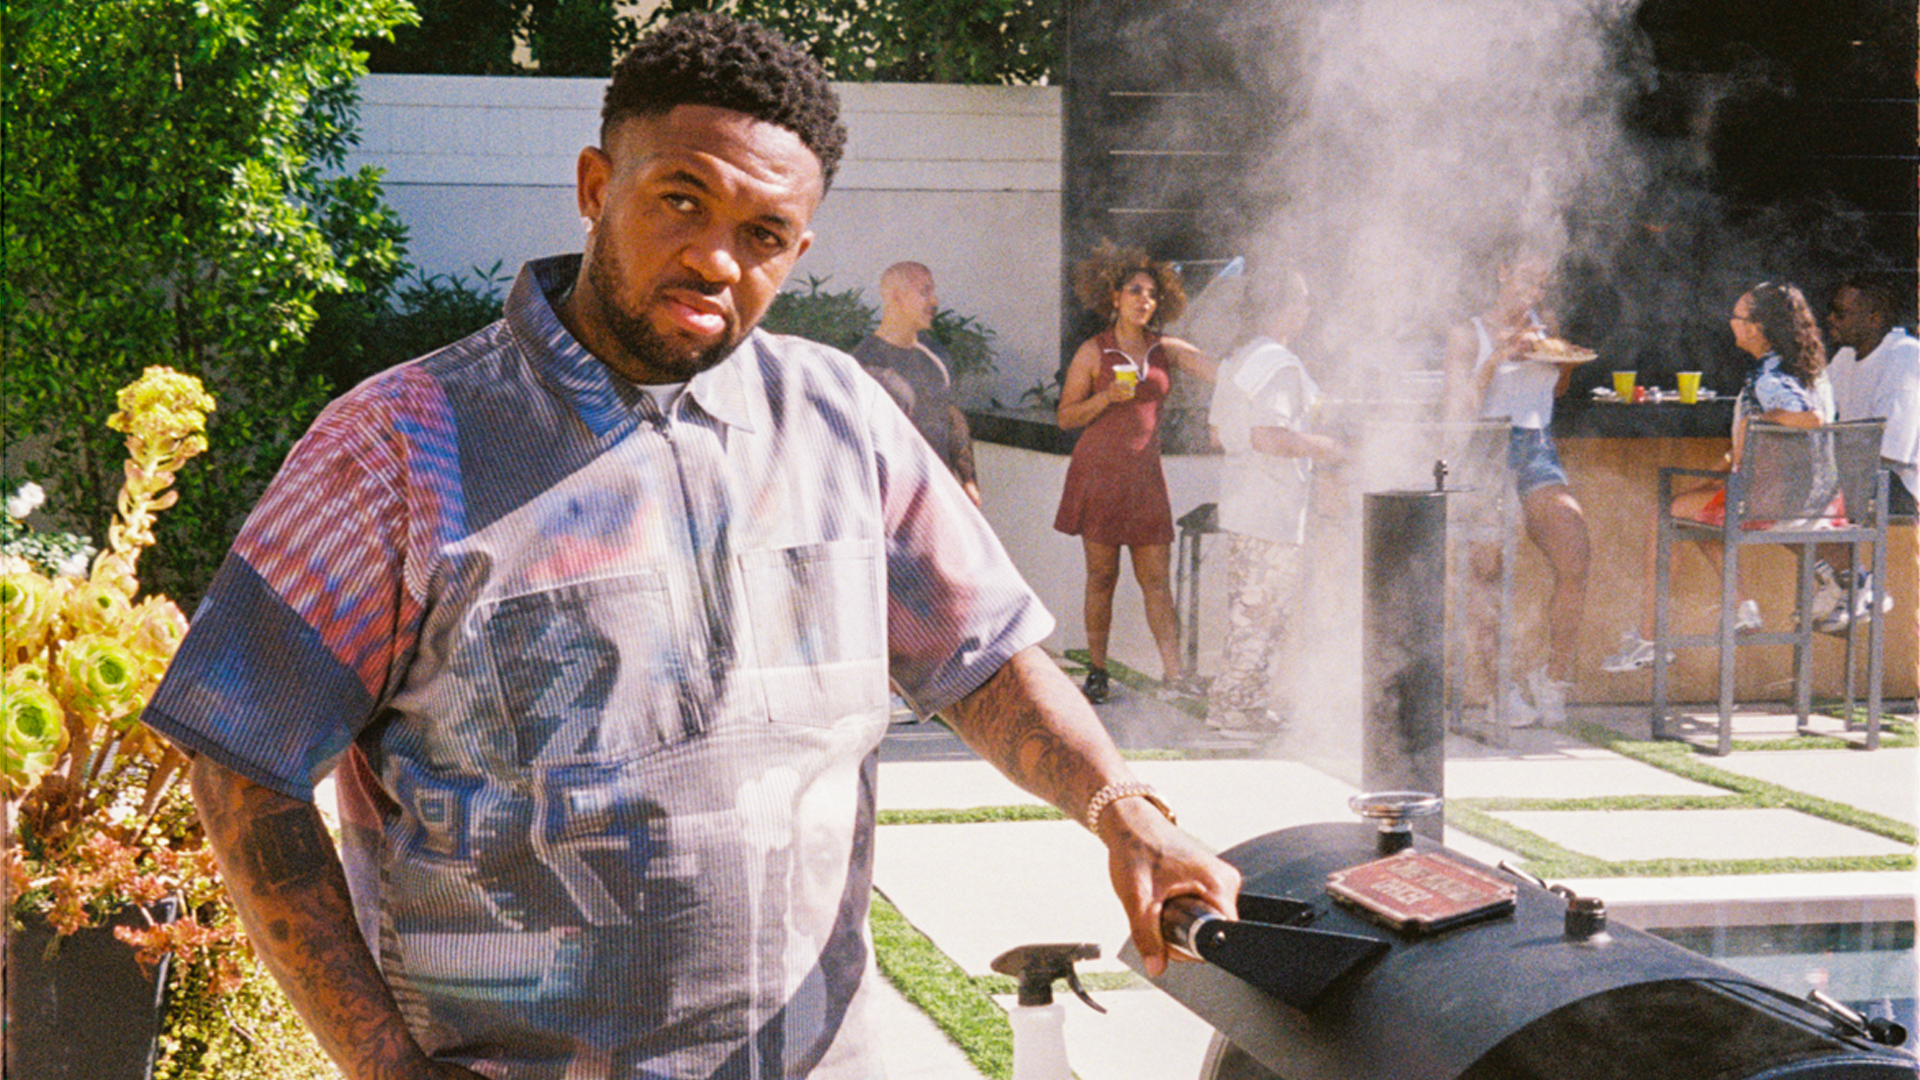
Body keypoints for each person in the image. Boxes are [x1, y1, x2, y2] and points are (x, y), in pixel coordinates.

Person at [142, 17, 1239, 1080]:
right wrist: (384, 1067)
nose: (715, 257)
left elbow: (984, 659)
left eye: (763, 235)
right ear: (594, 187)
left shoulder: (839, 416)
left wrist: (1124, 812)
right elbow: (241, 764)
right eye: (681, 199)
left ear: (798, 251)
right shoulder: (398, 448)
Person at [1602, 281, 1834, 672]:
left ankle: (1650, 640)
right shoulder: (1791, 368)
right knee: (1691, 510)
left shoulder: (1769, 379)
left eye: (1737, 316)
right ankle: (1742, 607)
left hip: (1770, 504)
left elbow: (1812, 418)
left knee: (1663, 517)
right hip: (1803, 497)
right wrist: (1723, 465)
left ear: (1757, 328)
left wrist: (1759, 420)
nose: (1730, 323)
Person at [1052, 243, 1217, 703]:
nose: (1145, 300)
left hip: (1145, 477)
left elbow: (1223, 373)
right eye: (1134, 291)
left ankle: (1174, 675)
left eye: (1152, 294)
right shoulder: (1094, 351)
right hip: (1099, 474)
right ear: (1114, 297)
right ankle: (1097, 671)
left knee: (1156, 581)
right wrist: (1105, 398)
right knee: (1102, 577)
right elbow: (1065, 417)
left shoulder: (1165, 349)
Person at [1443, 250, 1591, 726]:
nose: (1535, 292)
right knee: (1486, 571)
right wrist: (1498, 357)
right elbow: (1458, 408)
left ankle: (1553, 680)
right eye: (1527, 279)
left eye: (1542, 284)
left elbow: (1555, 391)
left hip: (1536, 446)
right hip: (1484, 448)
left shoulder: (1545, 330)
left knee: (1575, 555)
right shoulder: (1469, 333)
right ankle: (1499, 691)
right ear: (1502, 271)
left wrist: (1562, 360)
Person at [1204, 269, 1340, 745]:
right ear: (1282, 307)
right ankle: (1236, 708)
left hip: (1246, 501)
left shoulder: (1241, 358)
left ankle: (1238, 704)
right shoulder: (1277, 363)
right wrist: (1328, 447)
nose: (1307, 309)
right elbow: (1267, 435)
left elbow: (1218, 433)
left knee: (1252, 610)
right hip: (1270, 506)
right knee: (1261, 613)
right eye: (1302, 300)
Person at [1808, 269, 1918, 630]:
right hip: (1863, 477)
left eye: (1841, 313)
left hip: (1903, 488)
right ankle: (1846, 582)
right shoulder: (1844, 358)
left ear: (1874, 318)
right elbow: (1812, 412)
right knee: (1778, 495)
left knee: (1792, 495)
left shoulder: (1906, 357)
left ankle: (1851, 582)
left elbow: (1890, 452)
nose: (1831, 319)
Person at [851, 261, 981, 505]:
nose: (935, 301)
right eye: (924, 292)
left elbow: (952, 416)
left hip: (939, 499)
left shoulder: (935, 355)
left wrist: (968, 480)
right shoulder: (863, 363)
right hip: (890, 503)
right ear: (895, 297)